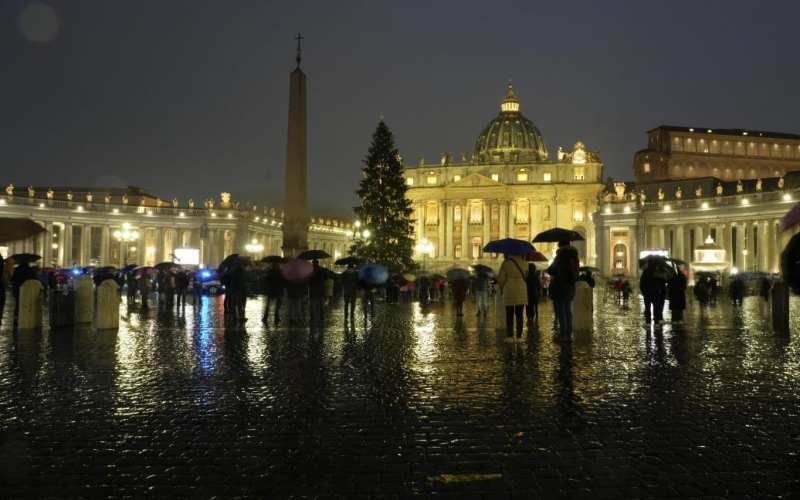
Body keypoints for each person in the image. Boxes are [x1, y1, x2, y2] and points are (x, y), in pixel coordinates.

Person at [548, 240, 580, 338]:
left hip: (560, 286)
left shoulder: (561, 256)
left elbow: (551, 270)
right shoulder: (575, 256)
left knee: (561, 311)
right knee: (568, 310)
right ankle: (569, 333)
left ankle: (563, 334)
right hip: (570, 286)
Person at [498, 253, 529, 342]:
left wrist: (501, 287)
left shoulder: (506, 263)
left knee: (509, 314)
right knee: (520, 314)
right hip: (521, 288)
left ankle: (510, 336)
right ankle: (519, 336)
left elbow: (501, 278)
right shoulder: (525, 262)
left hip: (509, 288)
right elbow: (526, 275)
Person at [640, 256, 668, 325]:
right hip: (656, 292)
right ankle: (656, 322)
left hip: (647, 292)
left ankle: (648, 322)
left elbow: (642, 282)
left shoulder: (646, 271)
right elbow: (663, 282)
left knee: (647, 307)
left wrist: (643, 291)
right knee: (656, 307)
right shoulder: (659, 271)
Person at [10, 261, 38, 325]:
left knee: (17, 304)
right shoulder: (31, 270)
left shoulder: (17, 270)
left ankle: (16, 318)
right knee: (27, 304)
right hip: (28, 290)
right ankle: (26, 319)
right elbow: (35, 279)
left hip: (17, 289)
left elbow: (12, 279)